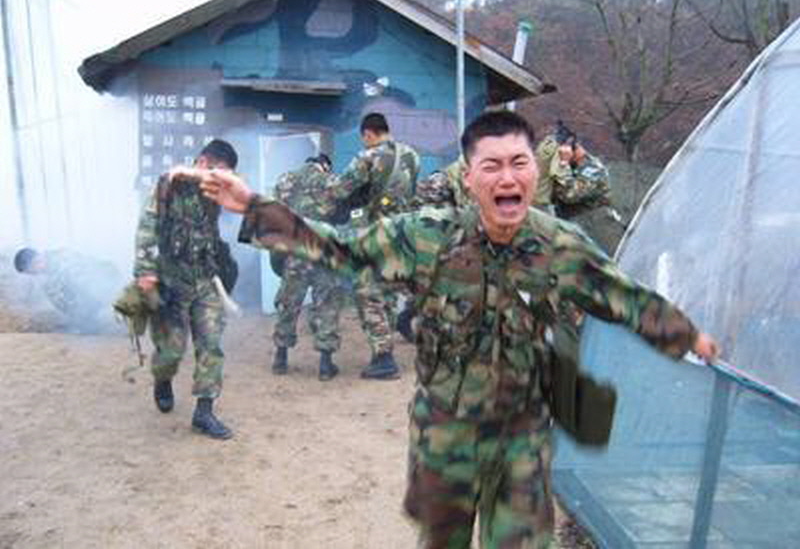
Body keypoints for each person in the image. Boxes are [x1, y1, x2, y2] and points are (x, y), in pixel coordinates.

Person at [198, 110, 720, 547]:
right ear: (468, 179)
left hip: (523, 439)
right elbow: (342, 246)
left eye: (519, 163)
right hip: (445, 435)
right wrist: (253, 206)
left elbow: (621, 295)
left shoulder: (560, 246)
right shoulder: (427, 237)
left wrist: (686, 335)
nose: (507, 178)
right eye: (491, 166)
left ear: (535, 171)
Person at [134, 138, 238, 440]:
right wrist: (145, 271)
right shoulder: (170, 185)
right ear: (203, 162)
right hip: (172, 279)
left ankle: (204, 412)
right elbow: (147, 227)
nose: (224, 178)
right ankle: (163, 379)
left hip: (204, 280)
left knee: (211, 344)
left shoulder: (215, 192)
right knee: (171, 347)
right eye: (220, 170)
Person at [325, 112, 421, 380]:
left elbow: (338, 190)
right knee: (388, 290)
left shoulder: (367, 157)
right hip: (404, 234)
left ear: (368, 134)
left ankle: (383, 358)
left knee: (368, 291)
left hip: (376, 235)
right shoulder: (413, 155)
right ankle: (392, 341)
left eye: (364, 138)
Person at [271, 154, 343, 381]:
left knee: (289, 303)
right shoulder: (331, 181)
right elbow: (342, 215)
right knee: (327, 304)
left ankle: (280, 358)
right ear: (325, 166)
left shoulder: (286, 180)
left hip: (296, 251)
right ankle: (325, 365)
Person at [14, 247, 121, 332]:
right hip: (97, 296)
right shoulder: (48, 282)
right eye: (30, 273)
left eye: (31, 269)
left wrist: (85, 314)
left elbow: (87, 279)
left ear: (36, 260)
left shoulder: (62, 258)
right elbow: (66, 306)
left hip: (106, 283)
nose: (34, 273)